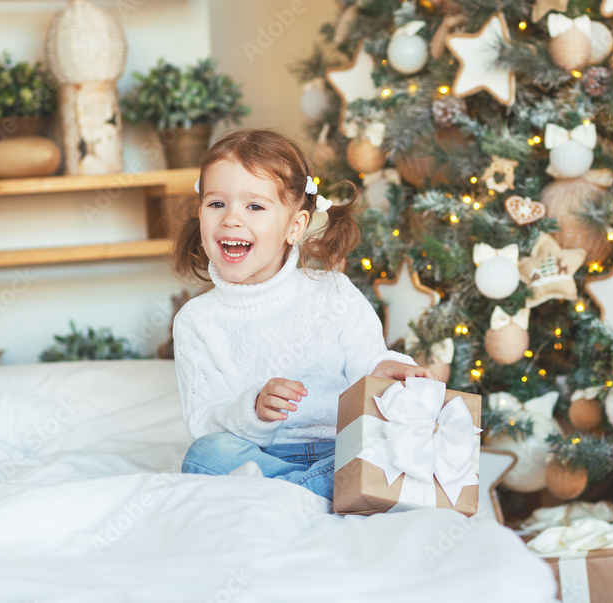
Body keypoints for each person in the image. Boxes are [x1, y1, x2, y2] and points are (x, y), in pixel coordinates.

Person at [171, 128, 436, 500]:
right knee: (205, 456)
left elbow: (369, 362)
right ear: (200, 215)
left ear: (294, 227)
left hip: (339, 448)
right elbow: (204, 421)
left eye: (254, 206)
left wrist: (388, 368)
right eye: (216, 204)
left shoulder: (332, 292)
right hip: (260, 457)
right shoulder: (197, 321)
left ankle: (297, 491)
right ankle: (323, 492)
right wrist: (254, 409)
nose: (231, 219)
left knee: (387, 439)